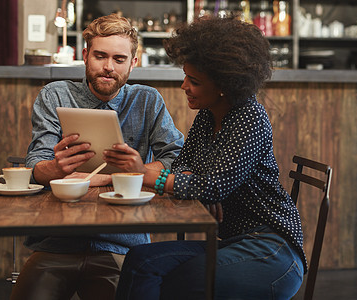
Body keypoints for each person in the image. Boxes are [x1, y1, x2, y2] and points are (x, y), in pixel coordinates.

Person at [112, 16, 305, 300]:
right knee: (141, 261)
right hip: (233, 242)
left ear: (223, 84)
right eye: (186, 76)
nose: (184, 87)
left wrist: (148, 173)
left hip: (271, 250)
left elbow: (212, 186)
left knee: (178, 282)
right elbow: (183, 165)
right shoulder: (207, 116)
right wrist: (201, 185)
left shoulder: (249, 117)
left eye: (195, 81)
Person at [10, 14, 184, 300]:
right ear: (85, 55)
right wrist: (55, 167)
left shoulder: (147, 100)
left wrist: (108, 176)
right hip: (57, 242)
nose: (108, 67)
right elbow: (35, 167)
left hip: (123, 243)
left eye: (119, 59)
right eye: (100, 56)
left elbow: (176, 158)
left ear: (133, 62)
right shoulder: (55, 95)